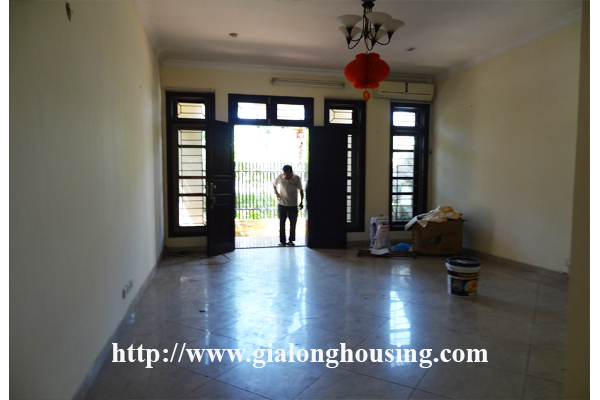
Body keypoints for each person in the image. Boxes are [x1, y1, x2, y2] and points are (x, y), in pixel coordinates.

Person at [273, 165, 304, 246]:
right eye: (285, 174)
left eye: (288, 175)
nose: (286, 176)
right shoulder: (280, 177)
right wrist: (277, 193)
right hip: (282, 204)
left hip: (293, 204)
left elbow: (301, 190)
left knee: (293, 223)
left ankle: (291, 240)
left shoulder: (296, 178)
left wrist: (301, 202)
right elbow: (274, 184)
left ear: (292, 173)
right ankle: (282, 241)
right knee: (282, 223)